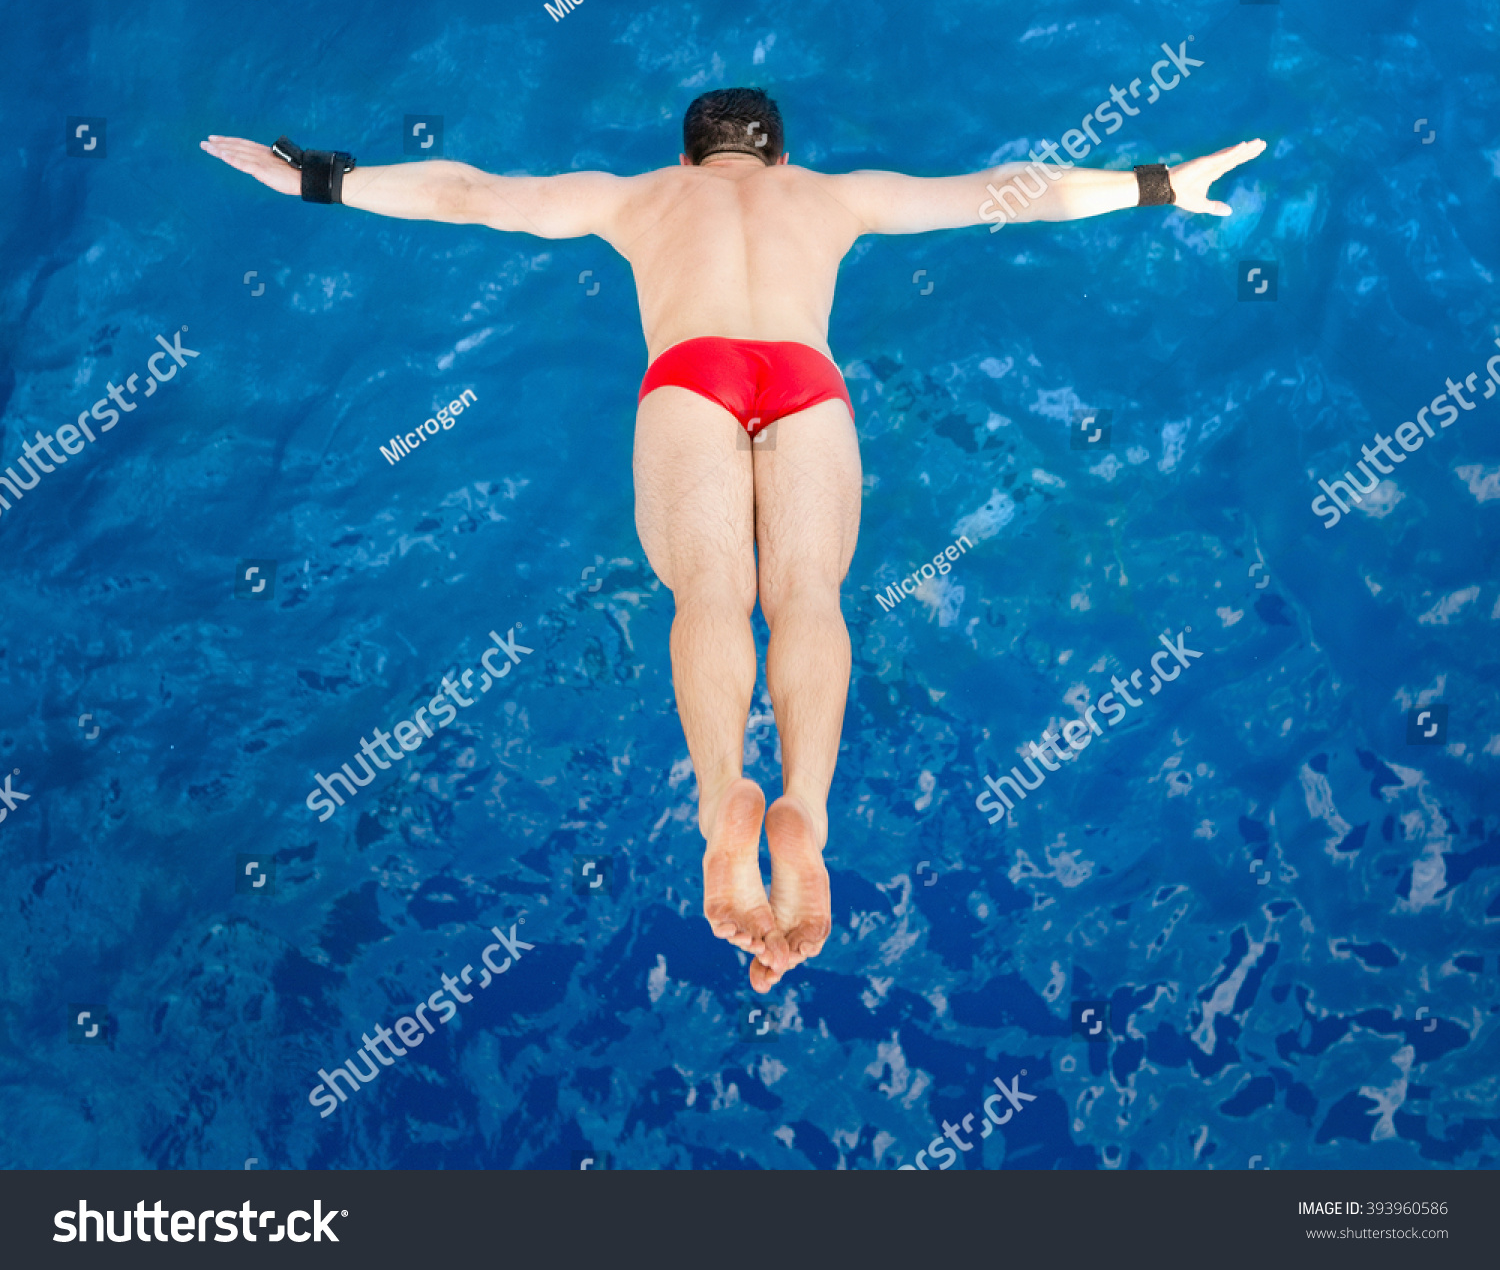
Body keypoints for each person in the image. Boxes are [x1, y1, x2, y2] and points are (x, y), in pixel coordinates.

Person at [202, 90, 1263, 993]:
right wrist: (1158, 183)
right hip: (805, 381)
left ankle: (727, 805)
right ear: (781, 157)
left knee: (710, 593)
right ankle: (805, 809)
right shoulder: (831, 197)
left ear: (687, 158)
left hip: (692, 373)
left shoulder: (639, 198)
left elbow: (470, 193)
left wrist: (318, 177)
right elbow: (1008, 190)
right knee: (809, 596)